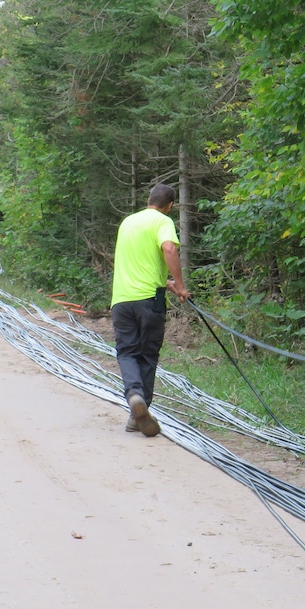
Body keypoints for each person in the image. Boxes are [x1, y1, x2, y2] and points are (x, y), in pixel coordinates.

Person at [111, 183, 190, 437]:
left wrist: (165, 282)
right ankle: (141, 402)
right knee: (147, 354)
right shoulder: (162, 221)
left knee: (127, 351)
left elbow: (139, 262)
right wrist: (179, 285)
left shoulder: (128, 222)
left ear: (148, 199)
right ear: (170, 205)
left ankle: (134, 400)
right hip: (149, 300)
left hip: (121, 300)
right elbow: (169, 248)